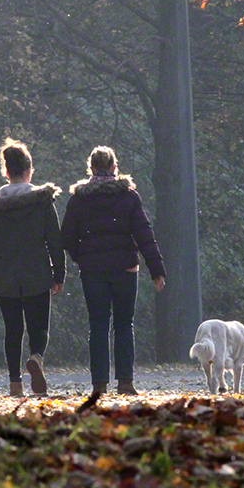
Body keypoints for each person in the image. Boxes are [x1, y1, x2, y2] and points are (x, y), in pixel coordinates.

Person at [60, 146, 166, 397]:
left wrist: (81, 258)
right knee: (124, 324)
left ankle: (99, 384)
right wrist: (156, 269)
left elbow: (66, 236)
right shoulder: (129, 196)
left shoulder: (79, 199)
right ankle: (126, 382)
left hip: (93, 271)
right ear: (114, 168)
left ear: (91, 168)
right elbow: (144, 235)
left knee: (97, 325)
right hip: (125, 269)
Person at [0, 138, 66, 397]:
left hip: (4, 276)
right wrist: (59, 273)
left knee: (12, 330)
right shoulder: (42, 201)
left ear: (6, 171)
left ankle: (15, 384)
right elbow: (54, 240)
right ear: (29, 170)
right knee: (39, 327)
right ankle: (36, 357)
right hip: (37, 272)